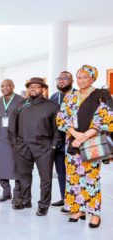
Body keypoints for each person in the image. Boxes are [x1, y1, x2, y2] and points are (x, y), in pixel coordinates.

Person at [56, 65, 113, 228]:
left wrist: (83, 137)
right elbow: (61, 118)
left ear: (93, 78)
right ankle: (78, 210)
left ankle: (95, 214)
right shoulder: (70, 97)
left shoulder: (101, 95)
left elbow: (106, 119)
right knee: (73, 178)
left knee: (91, 179)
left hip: (92, 142)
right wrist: (75, 134)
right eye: (79, 77)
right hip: (72, 142)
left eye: (85, 77)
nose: (81, 81)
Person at [9, 77, 60, 216]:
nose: (33, 88)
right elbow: (12, 126)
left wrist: (53, 146)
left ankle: (44, 205)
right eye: (30, 86)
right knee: (24, 175)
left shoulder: (52, 106)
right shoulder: (19, 105)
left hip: (44, 147)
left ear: (43, 89)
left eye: (37, 86)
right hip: (22, 146)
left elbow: (58, 129)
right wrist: (15, 144)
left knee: (45, 178)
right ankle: (25, 200)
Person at [49, 71, 76, 212]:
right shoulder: (53, 97)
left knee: (75, 173)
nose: (61, 81)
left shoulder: (78, 95)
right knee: (61, 172)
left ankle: (77, 203)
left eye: (65, 78)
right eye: (59, 78)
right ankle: (65, 200)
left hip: (74, 141)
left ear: (72, 81)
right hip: (57, 142)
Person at [0, 79, 23, 203]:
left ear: (13, 86)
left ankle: (17, 194)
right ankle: (6, 192)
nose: (5, 87)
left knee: (17, 166)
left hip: (16, 137)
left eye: (7, 85)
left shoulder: (21, 100)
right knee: (1, 165)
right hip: (1, 137)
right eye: (2, 86)